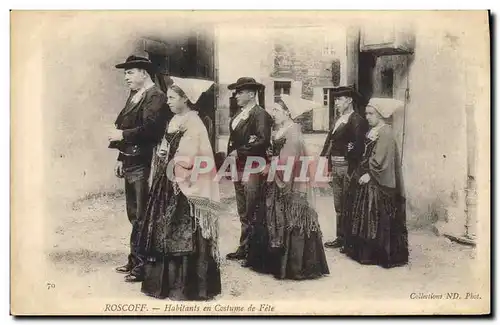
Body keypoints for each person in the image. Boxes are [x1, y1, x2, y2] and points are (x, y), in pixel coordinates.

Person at [135, 76, 222, 300]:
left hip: (183, 181)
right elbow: (168, 144)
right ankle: (164, 282)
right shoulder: (175, 120)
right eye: (169, 98)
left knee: (180, 225)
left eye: (173, 98)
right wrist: (164, 151)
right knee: (162, 224)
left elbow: (189, 155)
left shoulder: (193, 122)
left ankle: (185, 285)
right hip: (169, 177)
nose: (169, 102)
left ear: (186, 99)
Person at [245, 96, 330, 280]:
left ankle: (293, 266)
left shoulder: (293, 132)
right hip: (276, 181)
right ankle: (273, 262)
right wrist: (270, 156)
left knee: (288, 217)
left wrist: (270, 166)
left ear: (287, 112)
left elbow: (288, 161)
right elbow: (278, 154)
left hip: (288, 183)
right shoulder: (282, 129)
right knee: (271, 215)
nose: (273, 114)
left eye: (276, 110)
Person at [108, 55, 169, 282]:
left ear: (144, 73)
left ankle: (144, 266)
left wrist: (122, 136)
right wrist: (120, 158)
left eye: (130, 72)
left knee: (143, 214)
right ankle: (136, 258)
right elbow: (126, 125)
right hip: (132, 161)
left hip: (146, 162)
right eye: (125, 73)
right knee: (134, 214)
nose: (126, 78)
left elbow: (151, 130)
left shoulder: (156, 96)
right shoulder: (136, 95)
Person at [342, 97, 409, 268]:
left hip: (379, 183)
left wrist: (370, 174)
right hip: (369, 177)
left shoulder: (385, 132)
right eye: (366, 113)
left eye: (371, 113)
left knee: (376, 215)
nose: (368, 116)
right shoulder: (374, 130)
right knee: (366, 214)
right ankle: (366, 253)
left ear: (380, 115)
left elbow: (381, 160)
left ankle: (378, 254)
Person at [225, 77, 273, 261]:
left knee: (253, 207)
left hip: (252, 165)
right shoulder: (240, 113)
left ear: (251, 94)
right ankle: (244, 246)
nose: (236, 95)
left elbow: (262, 141)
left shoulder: (260, 115)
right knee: (243, 208)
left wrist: (240, 151)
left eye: (240, 92)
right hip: (238, 166)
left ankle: (255, 252)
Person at [319, 86, 368, 250]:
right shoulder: (338, 120)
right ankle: (341, 238)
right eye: (336, 99)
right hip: (336, 166)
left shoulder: (356, 120)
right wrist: (327, 164)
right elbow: (330, 143)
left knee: (349, 204)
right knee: (339, 205)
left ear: (349, 100)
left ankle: (350, 241)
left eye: (340, 99)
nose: (337, 103)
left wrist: (351, 153)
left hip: (348, 167)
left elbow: (360, 146)